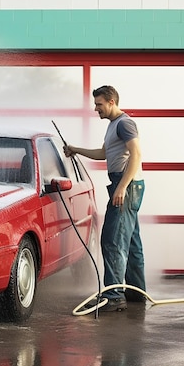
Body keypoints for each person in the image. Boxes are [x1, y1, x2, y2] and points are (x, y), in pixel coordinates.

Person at [64, 85, 146, 312]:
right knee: (130, 242)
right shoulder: (113, 126)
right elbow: (103, 153)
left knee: (112, 240)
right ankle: (135, 293)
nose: (95, 108)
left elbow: (137, 155)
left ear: (111, 102)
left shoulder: (125, 123)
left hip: (126, 186)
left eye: (99, 104)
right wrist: (76, 150)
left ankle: (114, 296)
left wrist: (121, 188)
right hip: (125, 185)